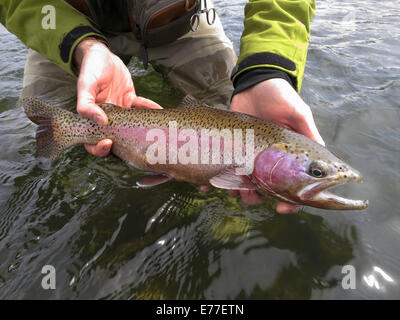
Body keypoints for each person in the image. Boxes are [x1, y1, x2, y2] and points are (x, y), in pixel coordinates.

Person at [0, 0, 324, 214]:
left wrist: (267, 72)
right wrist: (79, 46)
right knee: (29, 133)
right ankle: (64, 164)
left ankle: (226, 216)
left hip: (178, 20)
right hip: (62, 18)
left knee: (225, 106)